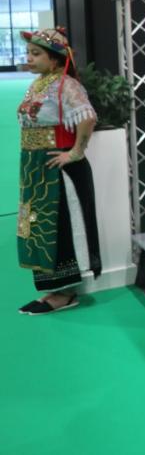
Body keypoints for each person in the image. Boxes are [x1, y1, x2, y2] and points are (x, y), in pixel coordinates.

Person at [15, 28, 101, 315]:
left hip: (58, 171)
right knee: (37, 225)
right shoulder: (38, 84)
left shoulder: (67, 85)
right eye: (29, 53)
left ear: (54, 60)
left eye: (36, 54)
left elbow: (87, 117)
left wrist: (75, 152)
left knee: (60, 226)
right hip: (35, 169)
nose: (29, 58)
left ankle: (66, 292)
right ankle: (54, 287)